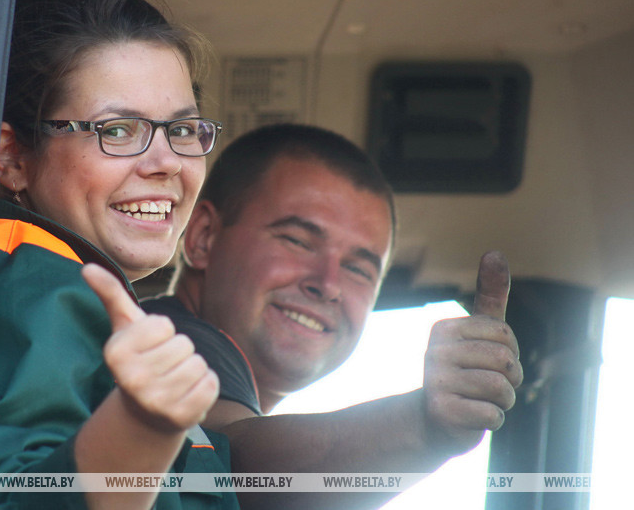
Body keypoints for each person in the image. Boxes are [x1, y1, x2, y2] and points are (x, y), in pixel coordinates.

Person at [0, 0, 239, 510]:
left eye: (182, 129)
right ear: (12, 158)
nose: (166, 163)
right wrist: (137, 430)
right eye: (117, 130)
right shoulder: (45, 285)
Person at [142, 123, 523, 509]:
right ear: (204, 236)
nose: (328, 284)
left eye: (358, 269)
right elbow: (231, 464)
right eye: (297, 240)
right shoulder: (160, 344)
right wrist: (423, 426)